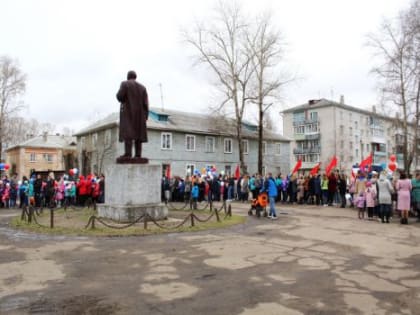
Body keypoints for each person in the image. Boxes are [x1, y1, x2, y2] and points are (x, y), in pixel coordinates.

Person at [116, 70, 149, 161]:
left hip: (128, 114)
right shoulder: (143, 88)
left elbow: (119, 96)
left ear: (128, 77)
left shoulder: (125, 84)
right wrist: (145, 117)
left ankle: (128, 154)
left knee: (128, 134)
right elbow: (146, 104)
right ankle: (138, 155)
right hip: (140, 116)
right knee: (139, 135)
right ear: (135, 77)